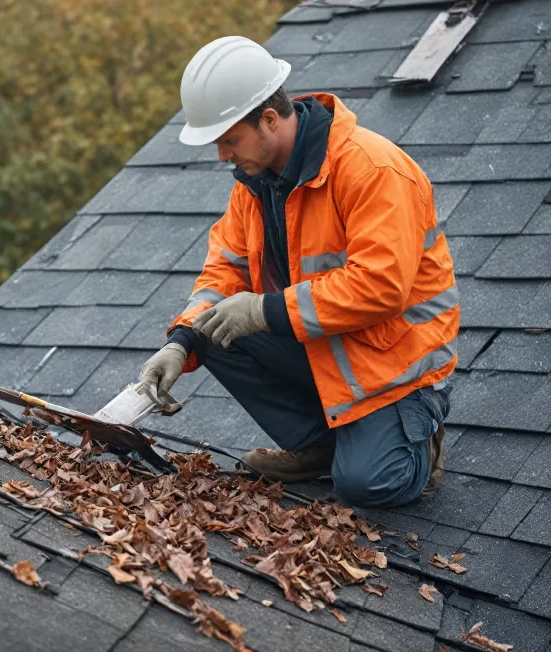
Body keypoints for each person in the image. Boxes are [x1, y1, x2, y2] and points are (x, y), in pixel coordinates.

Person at [140, 36, 459, 509]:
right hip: (327, 345)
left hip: (396, 365)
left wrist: (265, 309)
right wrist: (180, 343)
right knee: (210, 330)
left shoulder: (372, 170)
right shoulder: (253, 184)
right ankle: (324, 444)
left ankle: (418, 441)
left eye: (229, 139)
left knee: (369, 485)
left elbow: (381, 286)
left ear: (269, 118)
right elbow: (223, 270)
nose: (222, 155)